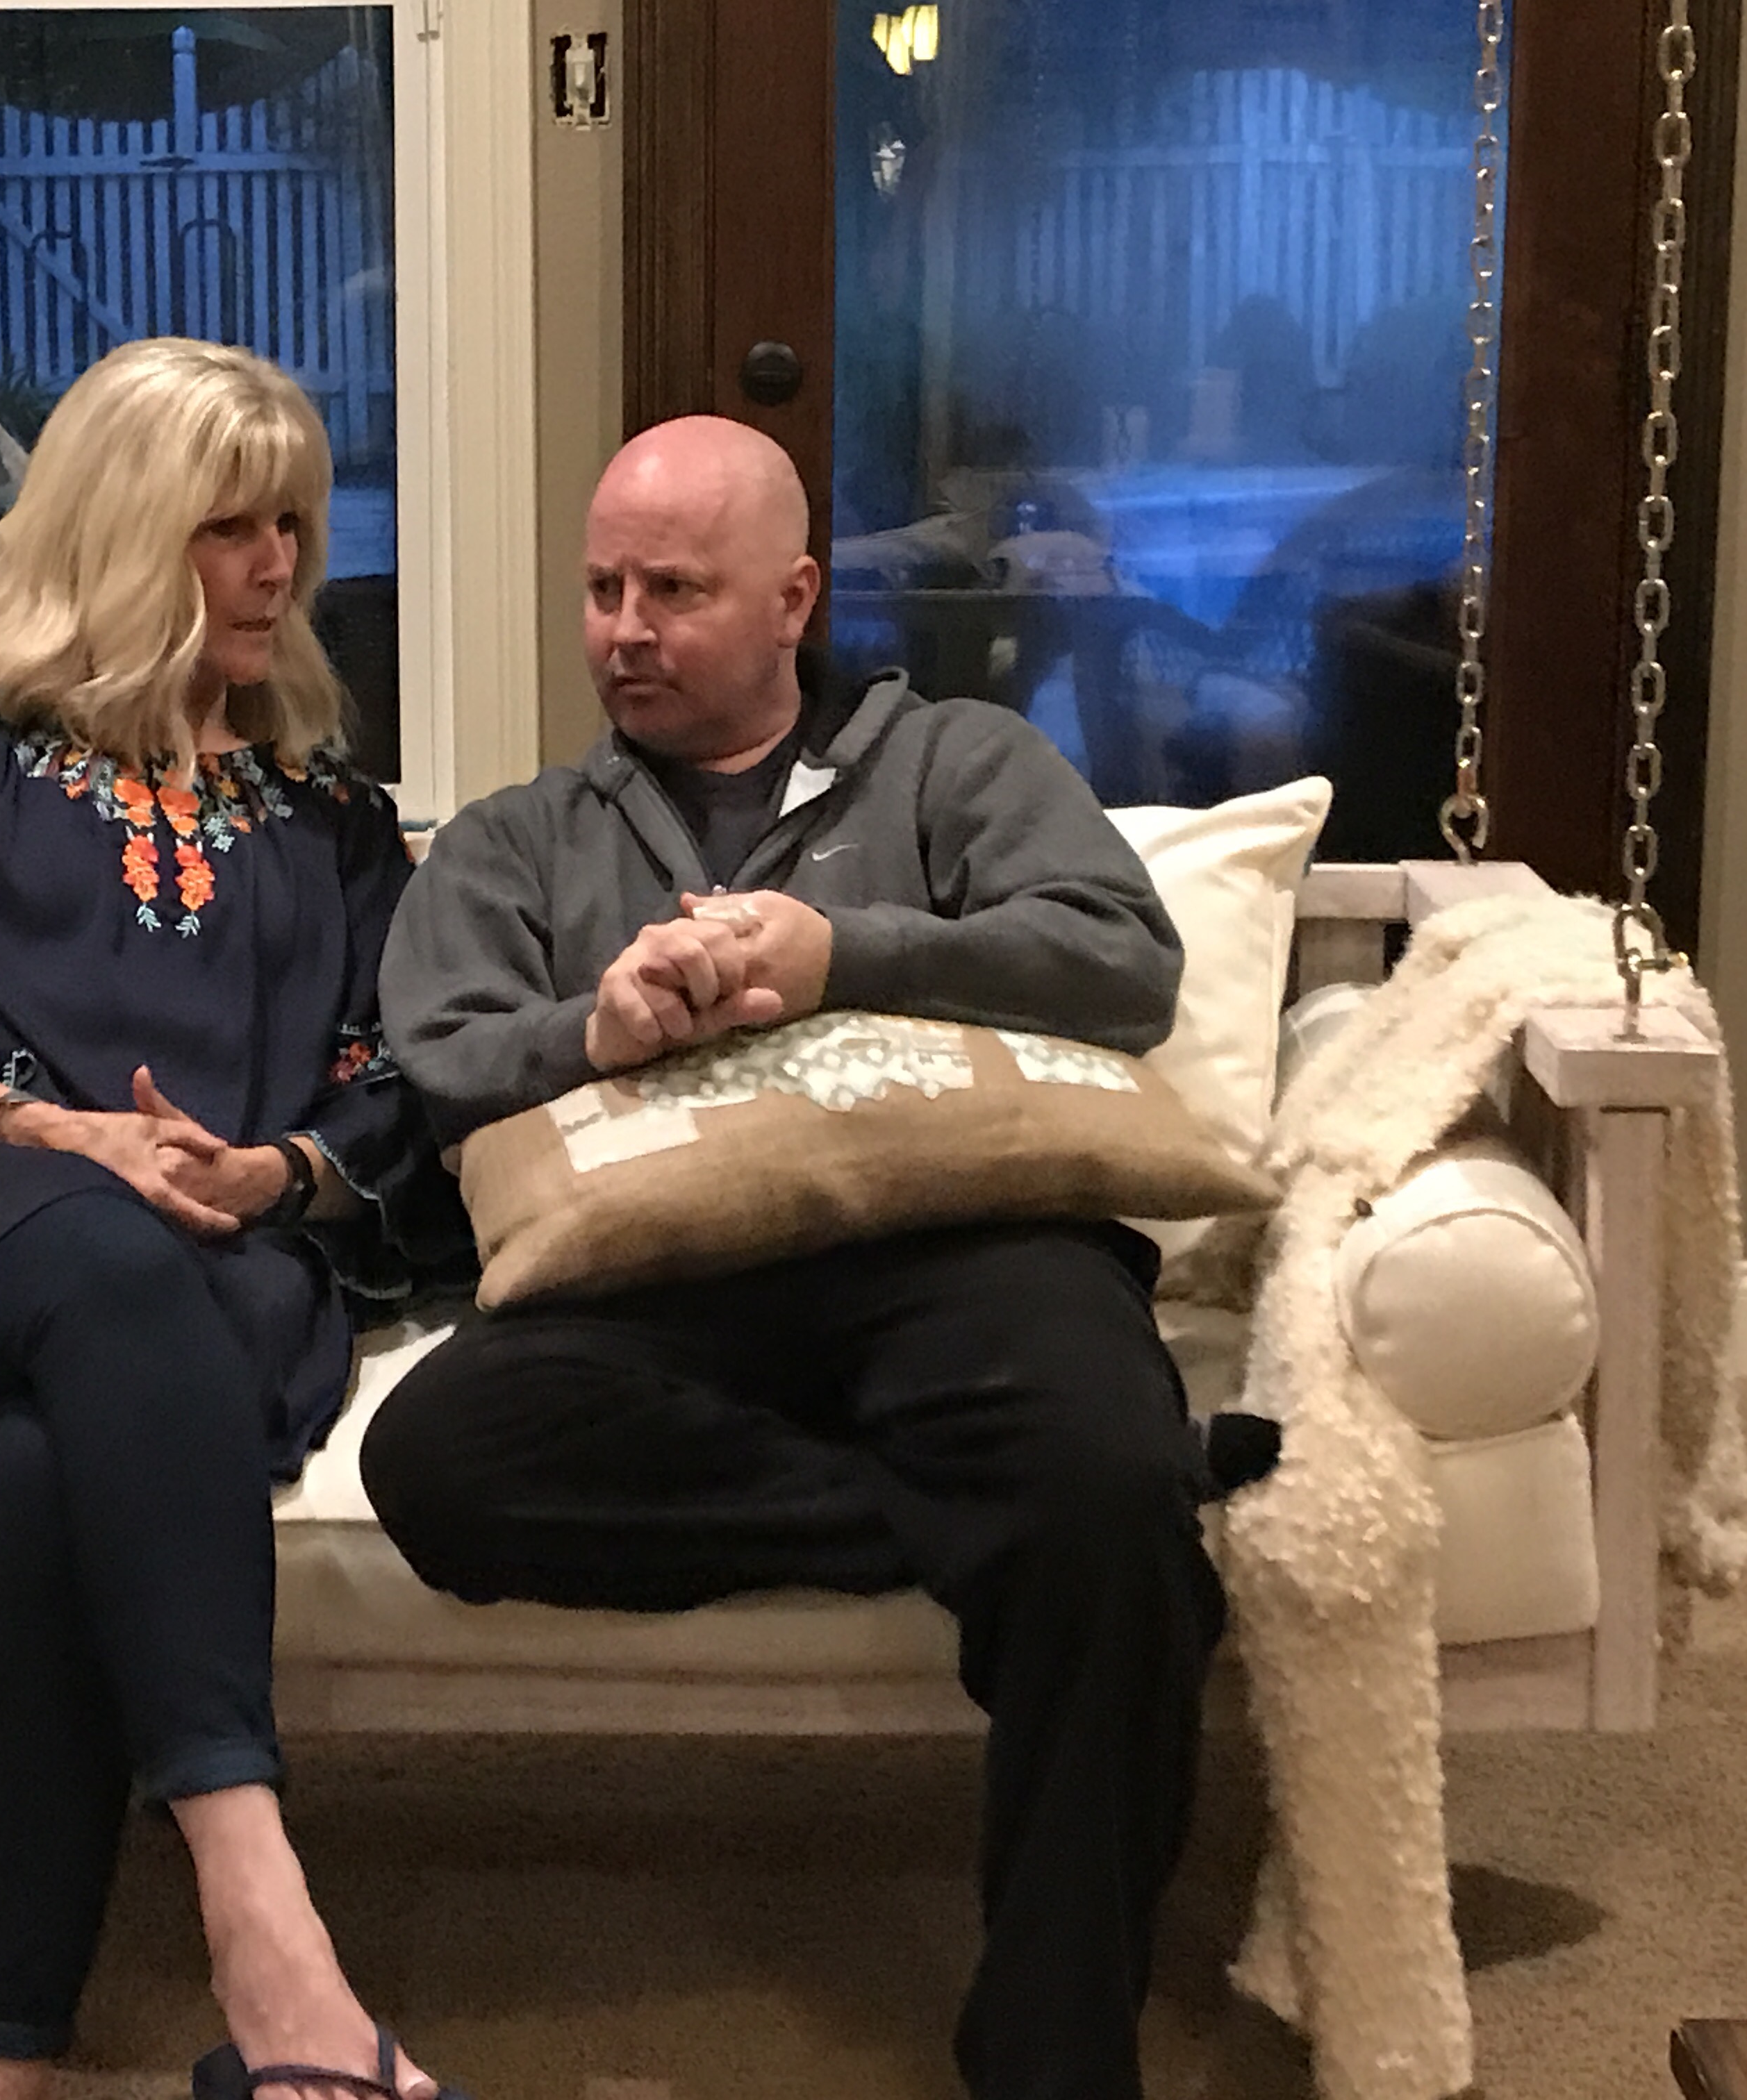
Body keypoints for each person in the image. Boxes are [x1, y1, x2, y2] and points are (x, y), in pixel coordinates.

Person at [367, 415, 1240, 2100]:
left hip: (968, 1251)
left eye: (675, 591)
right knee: (444, 1463)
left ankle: (1055, 2055)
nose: (625, 629)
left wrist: (846, 953)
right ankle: (986, 1517)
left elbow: (1122, 966)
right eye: (603, 591)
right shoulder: (518, 838)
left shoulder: (957, 764)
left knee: (1107, 1486)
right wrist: (597, 1025)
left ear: (794, 598)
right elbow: (442, 1058)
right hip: (652, 1276)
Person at [0, 339, 469, 2100]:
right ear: (123, 533)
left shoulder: (335, 818)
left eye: (293, 523)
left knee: (49, 1465)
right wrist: (38, 1125)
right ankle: (263, 1916)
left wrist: (273, 1173)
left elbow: (392, 1080)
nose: (281, 564)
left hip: (212, 1258)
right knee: (102, 1250)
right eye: (230, 527)